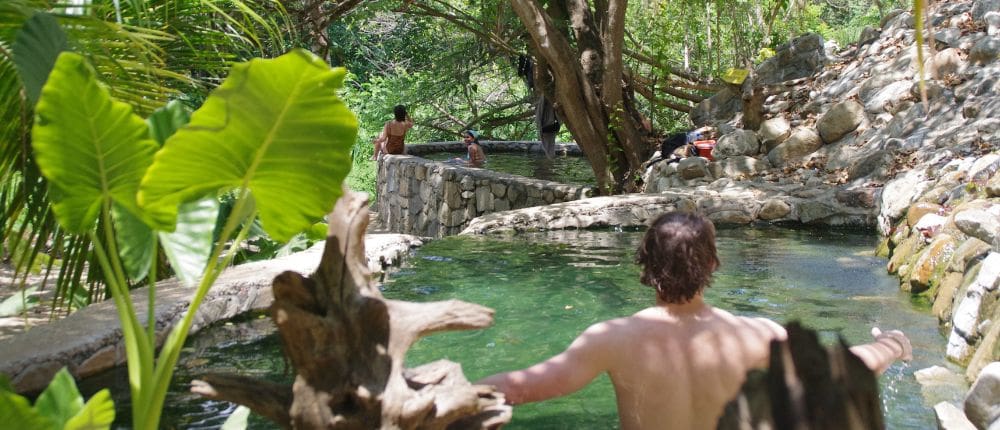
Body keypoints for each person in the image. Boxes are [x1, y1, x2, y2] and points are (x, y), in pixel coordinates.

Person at [477, 211, 912, 430]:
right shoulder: (757, 334)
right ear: (713, 264)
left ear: (644, 262)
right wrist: (893, 344)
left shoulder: (612, 339)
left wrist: (436, 398)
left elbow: (523, 386)